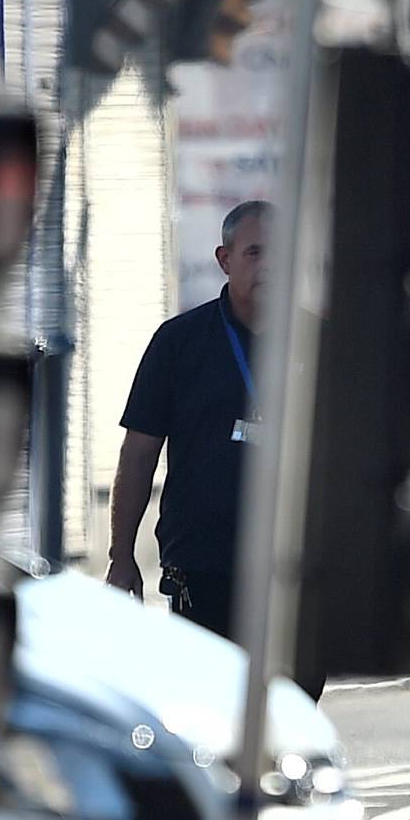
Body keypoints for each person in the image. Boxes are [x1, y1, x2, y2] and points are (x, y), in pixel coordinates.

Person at [107, 200, 270, 640]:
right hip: (204, 566)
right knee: (212, 705)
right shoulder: (179, 343)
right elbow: (139, 454)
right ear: (225, 260)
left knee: (292, 701)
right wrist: (122, 556)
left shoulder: (320, 343)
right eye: (255, 252)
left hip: (292, 566)